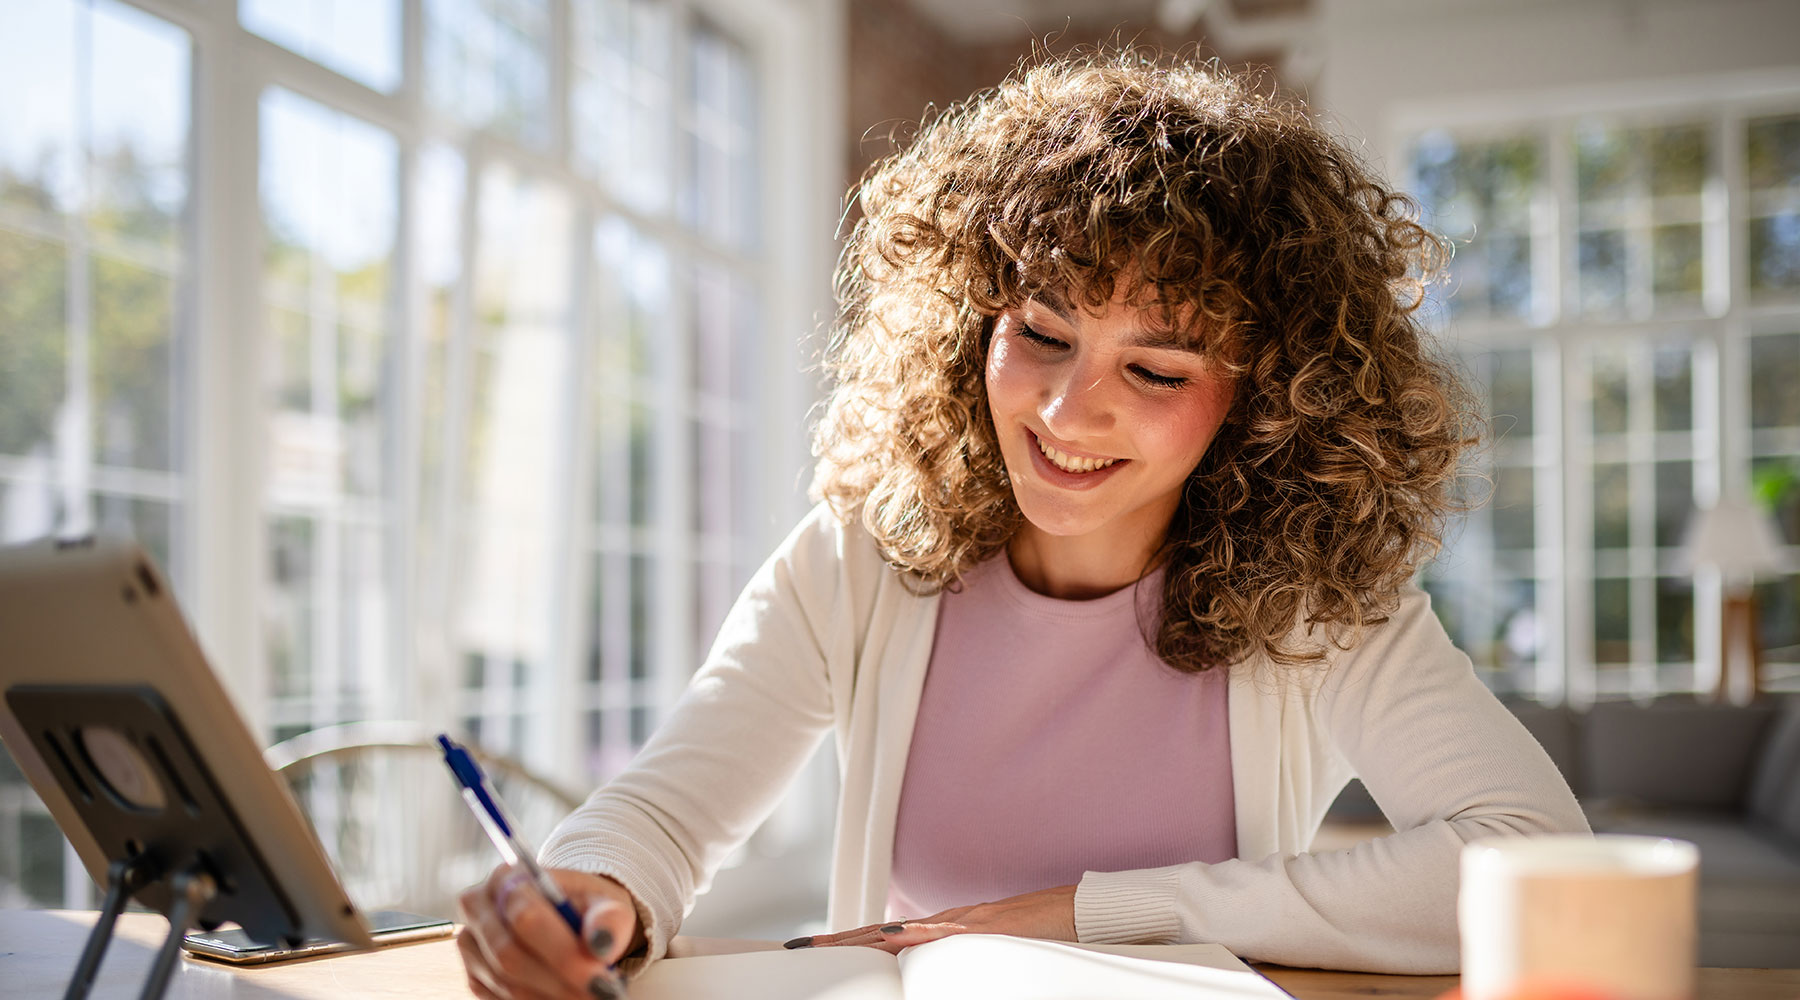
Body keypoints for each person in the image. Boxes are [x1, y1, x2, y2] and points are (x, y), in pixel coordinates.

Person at [454, 49, 1588, 1000]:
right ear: (973, 324)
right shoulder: (860, 556)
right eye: (1041, 333)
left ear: (1268, 397)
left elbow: (1539, 866)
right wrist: (594, 888)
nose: (1063, 410)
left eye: (1150, 367)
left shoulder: (1316, 600)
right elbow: (662, 809)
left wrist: (1093, 916)